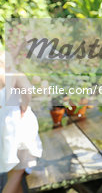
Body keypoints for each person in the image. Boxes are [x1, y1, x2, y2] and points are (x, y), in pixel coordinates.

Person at [0, 51, 42, 193]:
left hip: (3, 133)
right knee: (17, 174)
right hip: (18, 132)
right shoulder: (15, 76)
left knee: (14, 173)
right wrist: (23, 108)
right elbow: (27, 92)